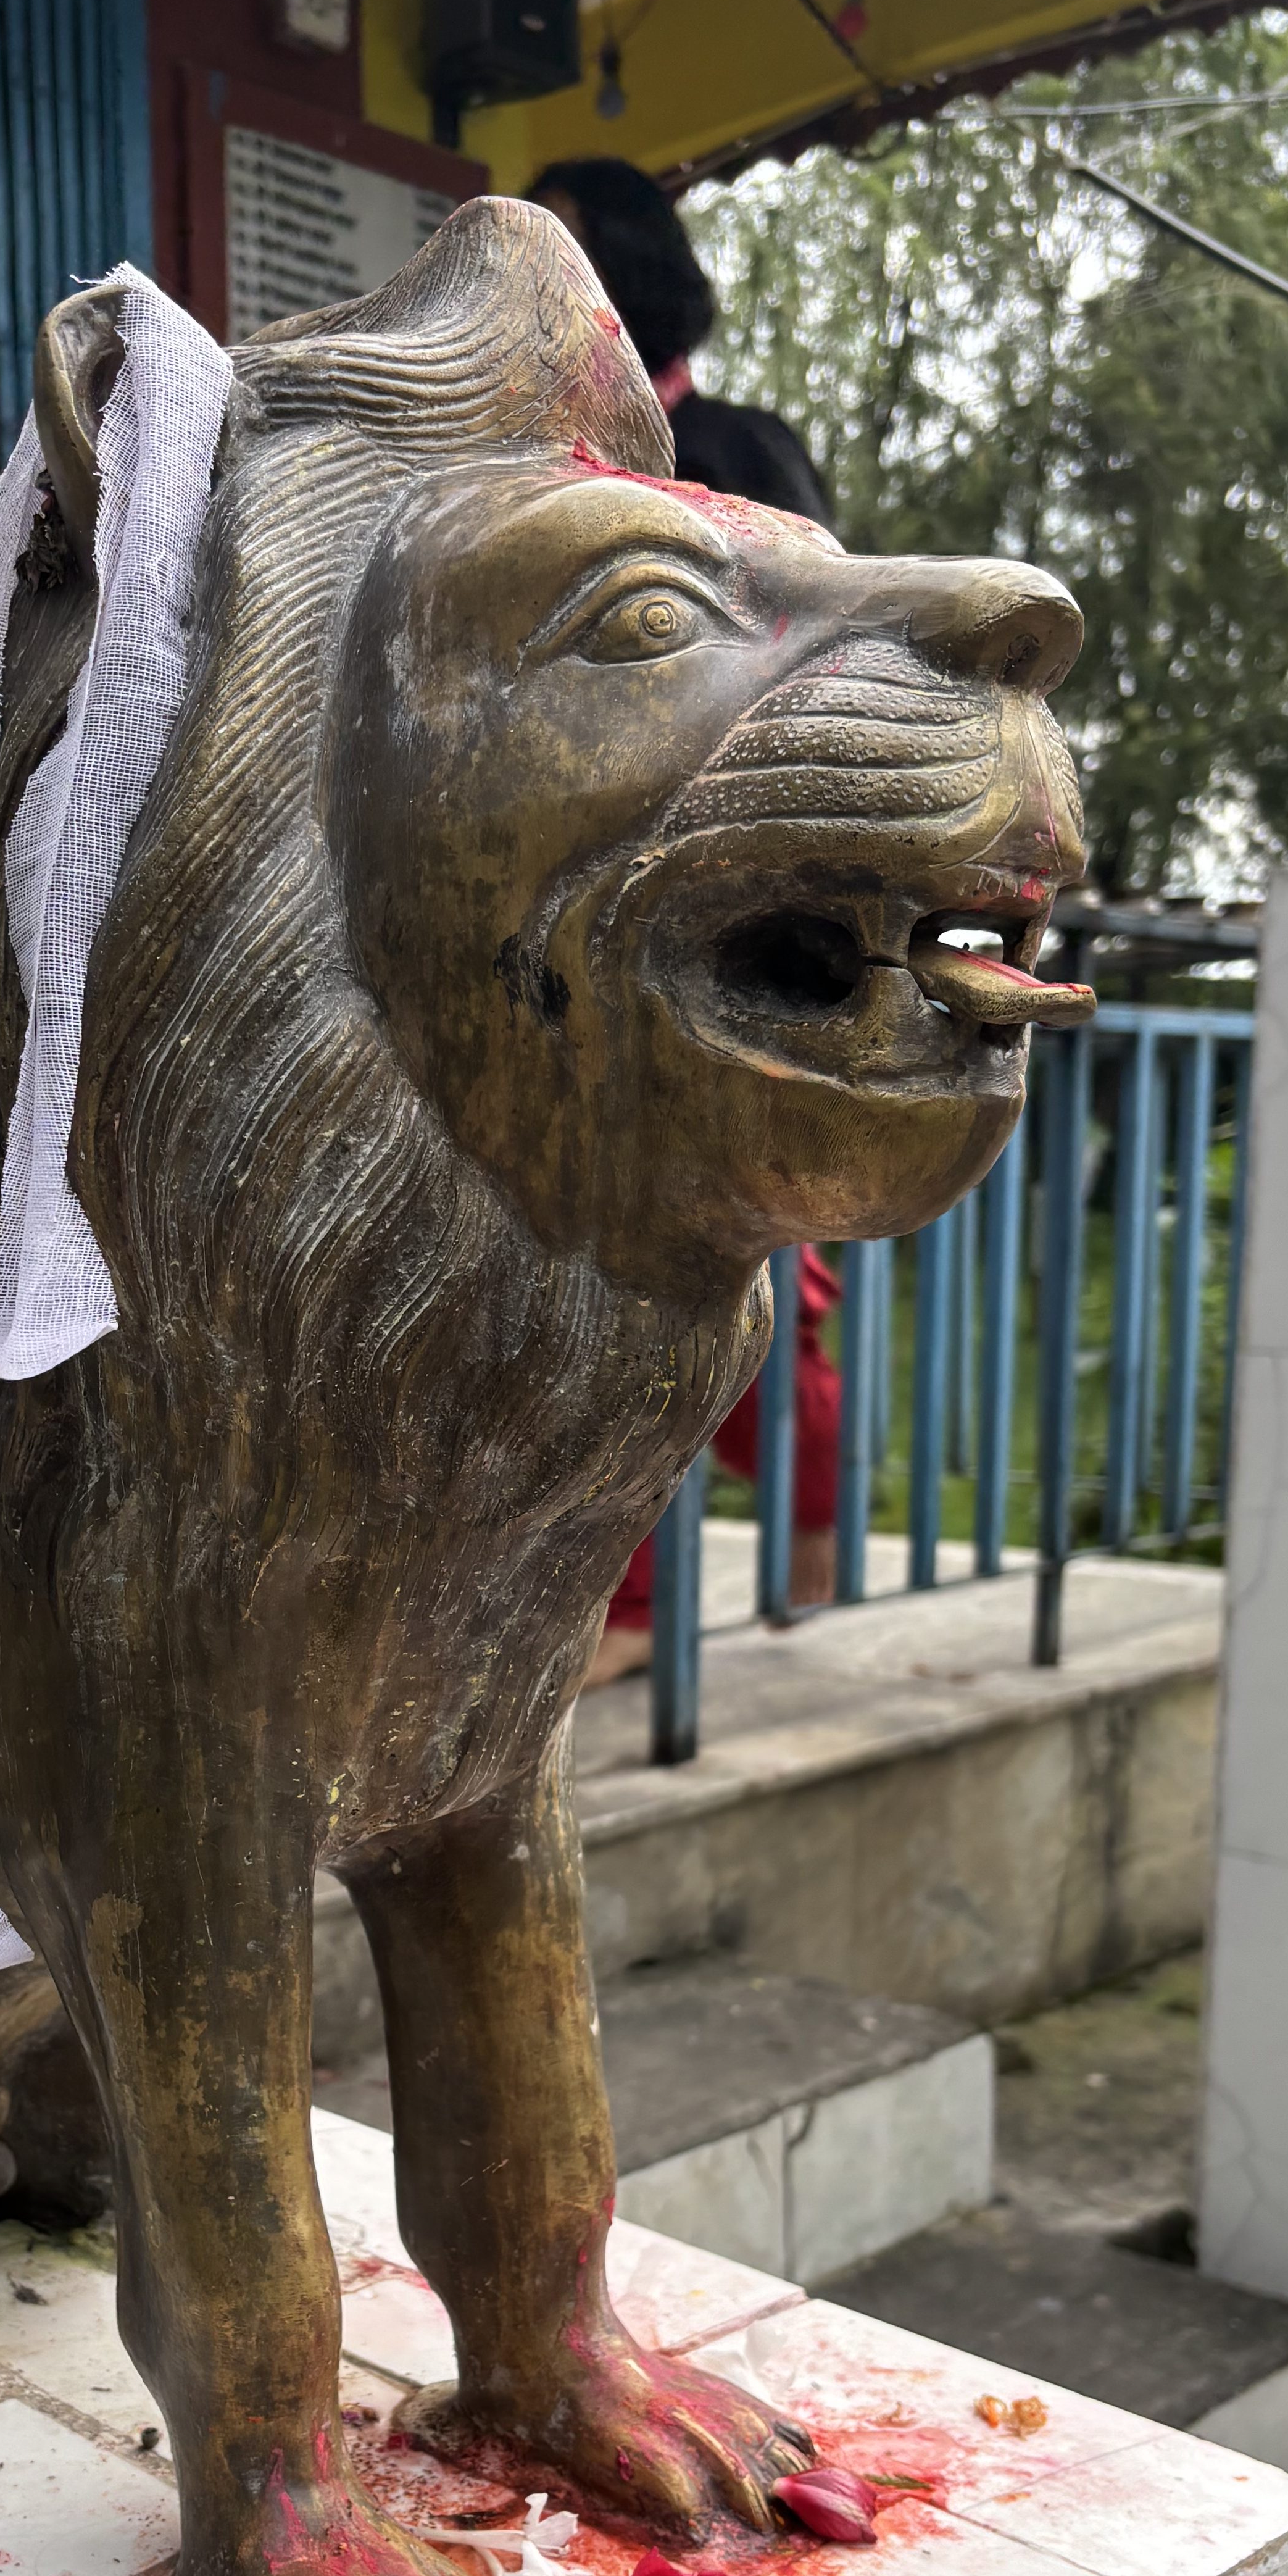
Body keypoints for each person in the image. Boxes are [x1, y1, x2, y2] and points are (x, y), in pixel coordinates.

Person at [527, 156, 842, 1677]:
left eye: (556, 249)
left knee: (731, 1269)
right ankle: (657, 1587)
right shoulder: (523, 477)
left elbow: (816, 682)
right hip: (589, 912)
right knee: (597, 1267)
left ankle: (715, 1580)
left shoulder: (732, 449)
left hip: (750, 906)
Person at [527, 154, 832, 528]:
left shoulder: (745, 449)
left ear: (633, 268)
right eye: (525, 265)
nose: (535, 289)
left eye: (563, 262)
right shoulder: (523, 465)